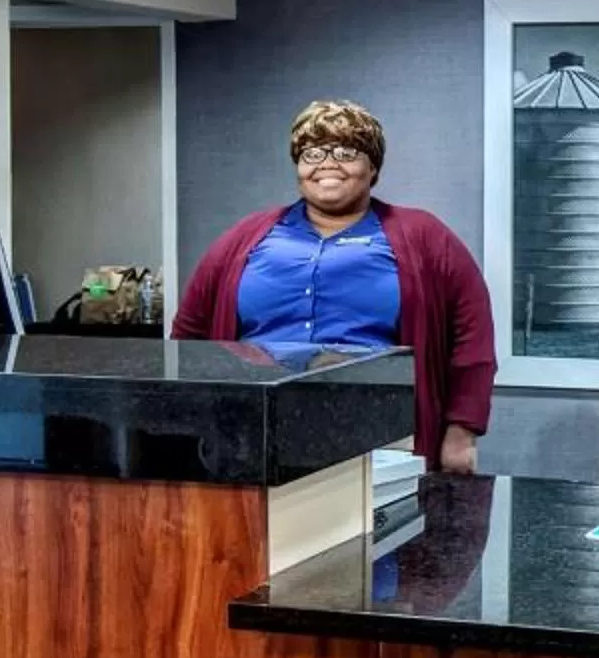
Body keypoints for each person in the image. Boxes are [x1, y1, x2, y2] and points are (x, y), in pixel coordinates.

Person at [173, 99, 495, 473]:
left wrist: (462, 431)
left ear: (372, 166)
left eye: (346, 152)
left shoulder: (424, 236)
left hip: (380, 429)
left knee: (382, 530)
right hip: (252, 428)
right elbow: (188, 336)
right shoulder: (246, 238)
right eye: (312, 153)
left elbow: (473, 336)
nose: (327, 163)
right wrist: (188, 421)